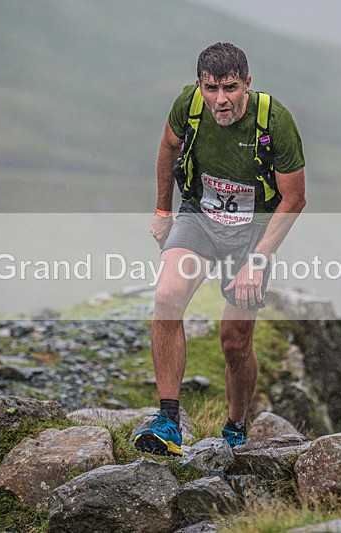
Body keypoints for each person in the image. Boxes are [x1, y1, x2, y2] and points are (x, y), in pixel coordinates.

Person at [133, 42, 307, 456]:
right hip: (200, 216)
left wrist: (258, 260)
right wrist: (163, 210)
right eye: (211, 88)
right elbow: (168, 146)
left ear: (247, 83)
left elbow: (294, 199)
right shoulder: (189, 104)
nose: (220, 100)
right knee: (167, 297)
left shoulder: (275, 121)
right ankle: (168, 421)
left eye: (230, 88)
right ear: (200, 85)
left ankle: (235, 425)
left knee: (234, 340)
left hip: (253, 230)